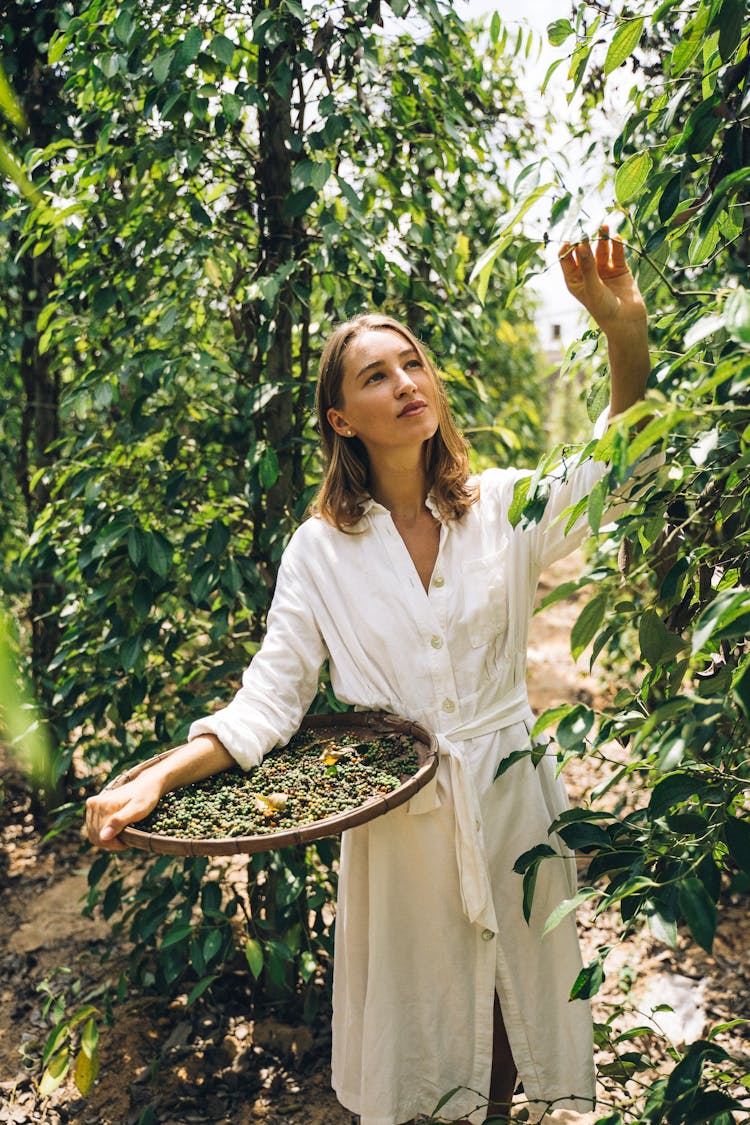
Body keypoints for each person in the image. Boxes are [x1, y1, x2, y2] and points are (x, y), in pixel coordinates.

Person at [86, 227, 656, 1125]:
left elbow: (615, 473)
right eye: (377, 376)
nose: (407, 385)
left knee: (511, 1021)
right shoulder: (320, 552)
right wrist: (155, 776)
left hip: (508, 795)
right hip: (401, 825)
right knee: (427, 1039)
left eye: (413, 365)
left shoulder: (501, 506)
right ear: (340, 418)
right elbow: (269, 701)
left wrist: (624, 329)